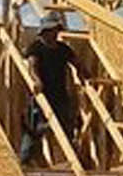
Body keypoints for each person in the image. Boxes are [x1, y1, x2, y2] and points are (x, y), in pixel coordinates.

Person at [21, 19, 79, 165]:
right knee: (35, 129)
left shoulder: (63, 49)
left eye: (55, 31)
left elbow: (76, 62)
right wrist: (37, 81)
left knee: (66, 128)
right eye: (51, 31)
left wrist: (85, 74)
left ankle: (71, 161)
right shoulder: (36, 47)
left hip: (59, 96)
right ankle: (25, 160)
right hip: (42, 96)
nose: (54, 34)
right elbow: (32, 65)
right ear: (44, 32)